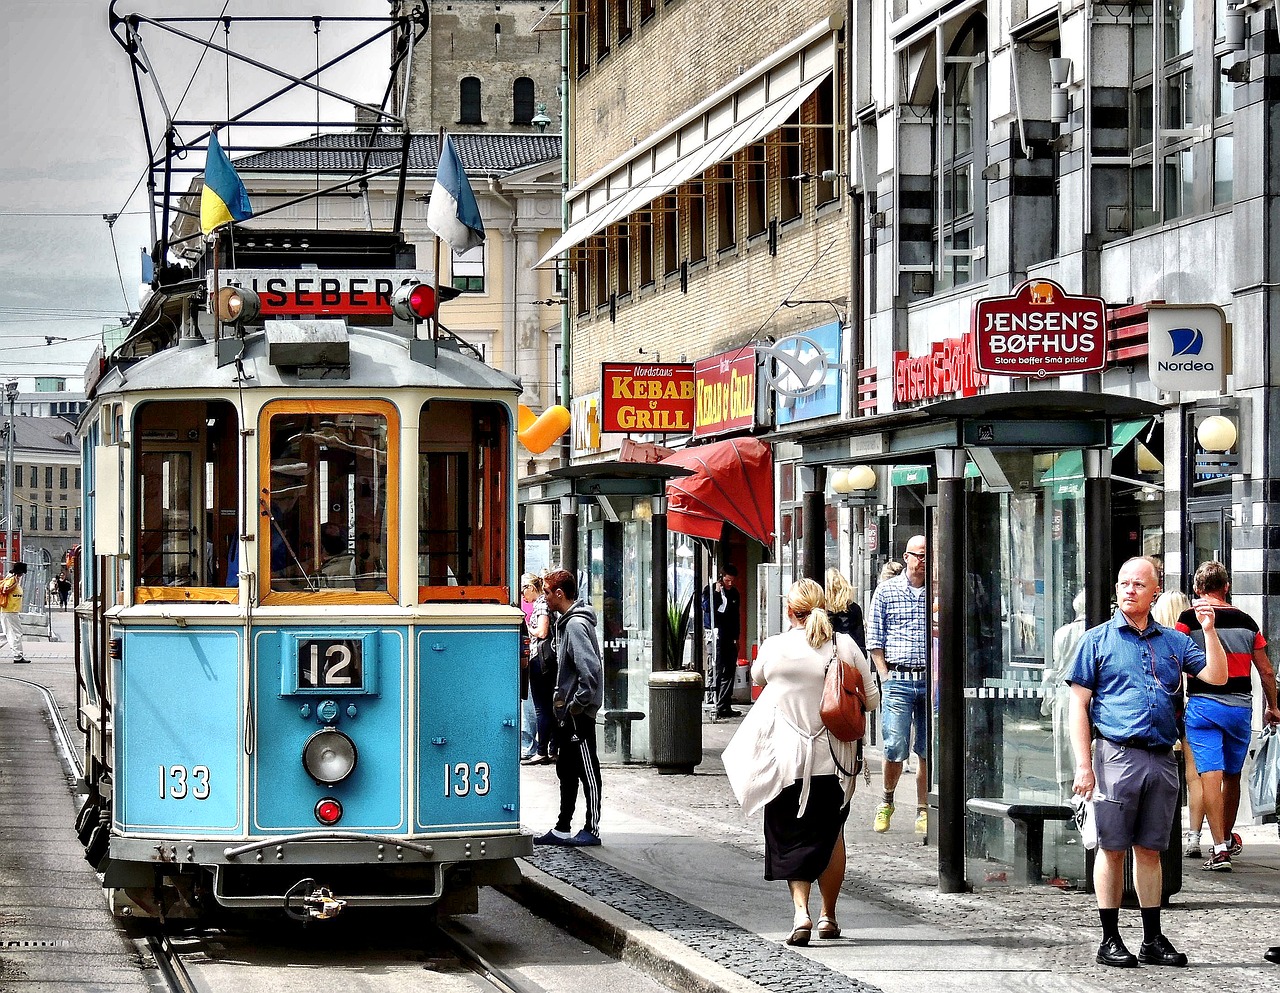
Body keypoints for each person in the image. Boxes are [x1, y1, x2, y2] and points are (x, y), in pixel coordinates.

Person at [1067, 556, 1227, 969]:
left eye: (1139, 584)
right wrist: (1083, 765)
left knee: (1151, 850)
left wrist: (1209, 631)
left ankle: (1152, 939)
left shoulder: (1174, 642)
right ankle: (1109, 938)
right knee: (1112, 848)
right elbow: (1077, 708)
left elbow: (1217, 676)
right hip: (1115, 755)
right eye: (1124, 584)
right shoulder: (1097, 641)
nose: (1129, 590)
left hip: (1161, 756)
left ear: (1155, 591)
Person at [722, 578, 879, 946]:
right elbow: (871, 700)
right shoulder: (844, 646)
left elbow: (758, 677)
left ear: (789, 610)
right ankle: (829, 916)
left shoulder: (776, 648)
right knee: (831, 835)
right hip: (835, 763)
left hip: (787, 764)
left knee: (790, 836)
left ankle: (800, 914)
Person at [1175, 561, 1280, 870]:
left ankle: (1219, 846)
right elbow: (1266, 670)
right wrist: (1272, 706)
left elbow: (1173, 659)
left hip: (1203, 705)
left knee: (1209, 773)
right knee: (1232, 774)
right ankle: (1226, 839)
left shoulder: (1187, 619)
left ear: (1196, 589)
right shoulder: (1247, 622)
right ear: (1226, 587)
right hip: (1238, 707)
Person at [534, 568, 604, 846]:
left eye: (548, 593)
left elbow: (590, 671)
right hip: (569, 713)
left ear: (560, 594)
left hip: (578, 715)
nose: (545, 599)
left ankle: (592, 827)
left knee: (587, 769)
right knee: (566, 768)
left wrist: (577, 705)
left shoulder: (575, 625)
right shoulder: (567, 623)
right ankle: (563, 826)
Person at [865, 535, 929, 835]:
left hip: (929, 680)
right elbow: (874, 640)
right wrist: (885, 676)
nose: (923, 561)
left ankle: (923, 808)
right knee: (895, 746)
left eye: (928, 555)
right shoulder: (886, 592)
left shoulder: (937, 592)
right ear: (906, 557)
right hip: (898, 679)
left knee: (928, 748)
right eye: (919, 555)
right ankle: (887, 801)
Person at [1042, 589, 1088, 793]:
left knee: (1064, 752)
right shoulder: (1095, 632)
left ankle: (1066, 799)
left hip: (1063, 695)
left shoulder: (1062, 633)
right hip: (1088, 696)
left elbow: (1054, 668)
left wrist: (1047, 700)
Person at [520, 574, 555, 766]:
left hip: (540, 659)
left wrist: (528, 627)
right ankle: (550, 749)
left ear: (530, 587)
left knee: (542, 708)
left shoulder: (541, 603)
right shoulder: (544, 602)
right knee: (548, 707)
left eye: (523, 589)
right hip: (546, 659)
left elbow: (542, 632)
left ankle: (541, 751)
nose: (522, 595)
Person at [701, 564, 742, 719]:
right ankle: (714, 702)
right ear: (721, 578)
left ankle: (725, 704)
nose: (729, 583)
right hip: (716, 634)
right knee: (716, 668)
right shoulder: (710, 590)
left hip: (729, 636)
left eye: (732, 581)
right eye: (727, 580)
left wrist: (736, 637)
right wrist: (717, 593)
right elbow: (706, 608)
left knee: (730, 670)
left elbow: (736, 617)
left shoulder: (734, 593)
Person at [825, 568, 866, 655]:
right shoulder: (854, 608)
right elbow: (860, 641)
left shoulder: (820, 610)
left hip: (824, 656)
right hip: (849, 655)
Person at [0, 562, 27, 664]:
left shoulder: (13, 578)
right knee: (16, 633)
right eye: (22, 573)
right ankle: (18, 655)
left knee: (9, 633)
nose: (22, 575)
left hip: (11, 611)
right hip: (9, 611)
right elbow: (5, 590)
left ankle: (18, 655)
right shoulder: (12, 579)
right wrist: (15, 584)